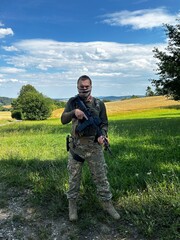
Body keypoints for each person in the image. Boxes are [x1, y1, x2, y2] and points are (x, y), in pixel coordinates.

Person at [61, 75, 120, 221]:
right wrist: (74, 113)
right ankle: (72, 206)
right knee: (74, 178)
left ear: (91, 86)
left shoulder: (99, 104)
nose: (84, 88)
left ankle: (107, 204)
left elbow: (104, 123)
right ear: (77, 87)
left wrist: (103, 135)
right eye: (81, 86)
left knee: (101, 177)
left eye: (87, 86)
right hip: (76, 147)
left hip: (94, 147)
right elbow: (63, 119)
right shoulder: (72, 102)